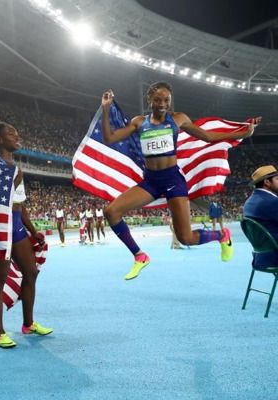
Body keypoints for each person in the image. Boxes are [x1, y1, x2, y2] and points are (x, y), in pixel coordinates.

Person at [101, 82, 261, 280]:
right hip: (150, 182)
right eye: (158, 100)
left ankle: (222, 236)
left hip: (173, 181)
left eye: (166, 100)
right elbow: (109, 138)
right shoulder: (139, 122)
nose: (162, 104)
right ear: (149, 100)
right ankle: (139, 255)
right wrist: (106, 109)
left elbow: (208, 136)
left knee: (186, 238)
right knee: (111, 211)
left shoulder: (178, 119)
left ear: (170, 101)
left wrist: (243, 133)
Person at [0, 120, 52, 348]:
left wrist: (33, 231)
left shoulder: (17, 169)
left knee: (31, 272)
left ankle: (28, 323)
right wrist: (13, 181)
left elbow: (20, 205)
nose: (17, 136)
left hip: (16, 226)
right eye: (11, 133)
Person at [243, 165, 278, 268]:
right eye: (277, 179)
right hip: (274, 258)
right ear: (267, 182)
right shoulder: (271, 202)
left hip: (260, 257)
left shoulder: (249, 202)